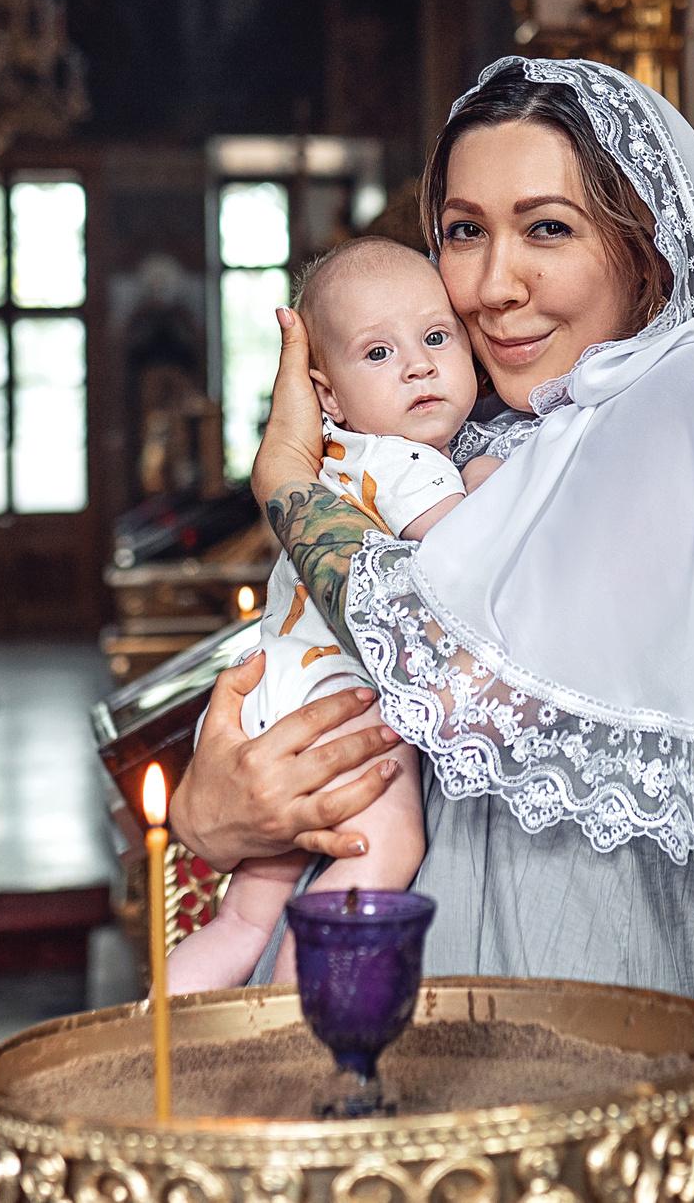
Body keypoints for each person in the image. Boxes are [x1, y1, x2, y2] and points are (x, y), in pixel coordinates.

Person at [169, 57, 694, 1036]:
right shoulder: (477, 438)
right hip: (401, 972)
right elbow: (324, 690)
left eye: (547, 228)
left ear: (645, 245)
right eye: (465, 231)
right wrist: (218, 812)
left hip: (585, 984)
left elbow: (464, 683)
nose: (495, 286)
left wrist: (290, 483)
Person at [162, 238, 497, 992]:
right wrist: (484, 479)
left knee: (243, 920)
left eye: (437, 338)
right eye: (379, 353)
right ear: (329, 397)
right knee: (386, 850)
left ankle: (156, 1024)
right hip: (339, 703)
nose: (418, 366)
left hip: (272, 696)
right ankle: (295, 1022)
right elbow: (469, 557)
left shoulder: (328, 462)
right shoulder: (408, 463)